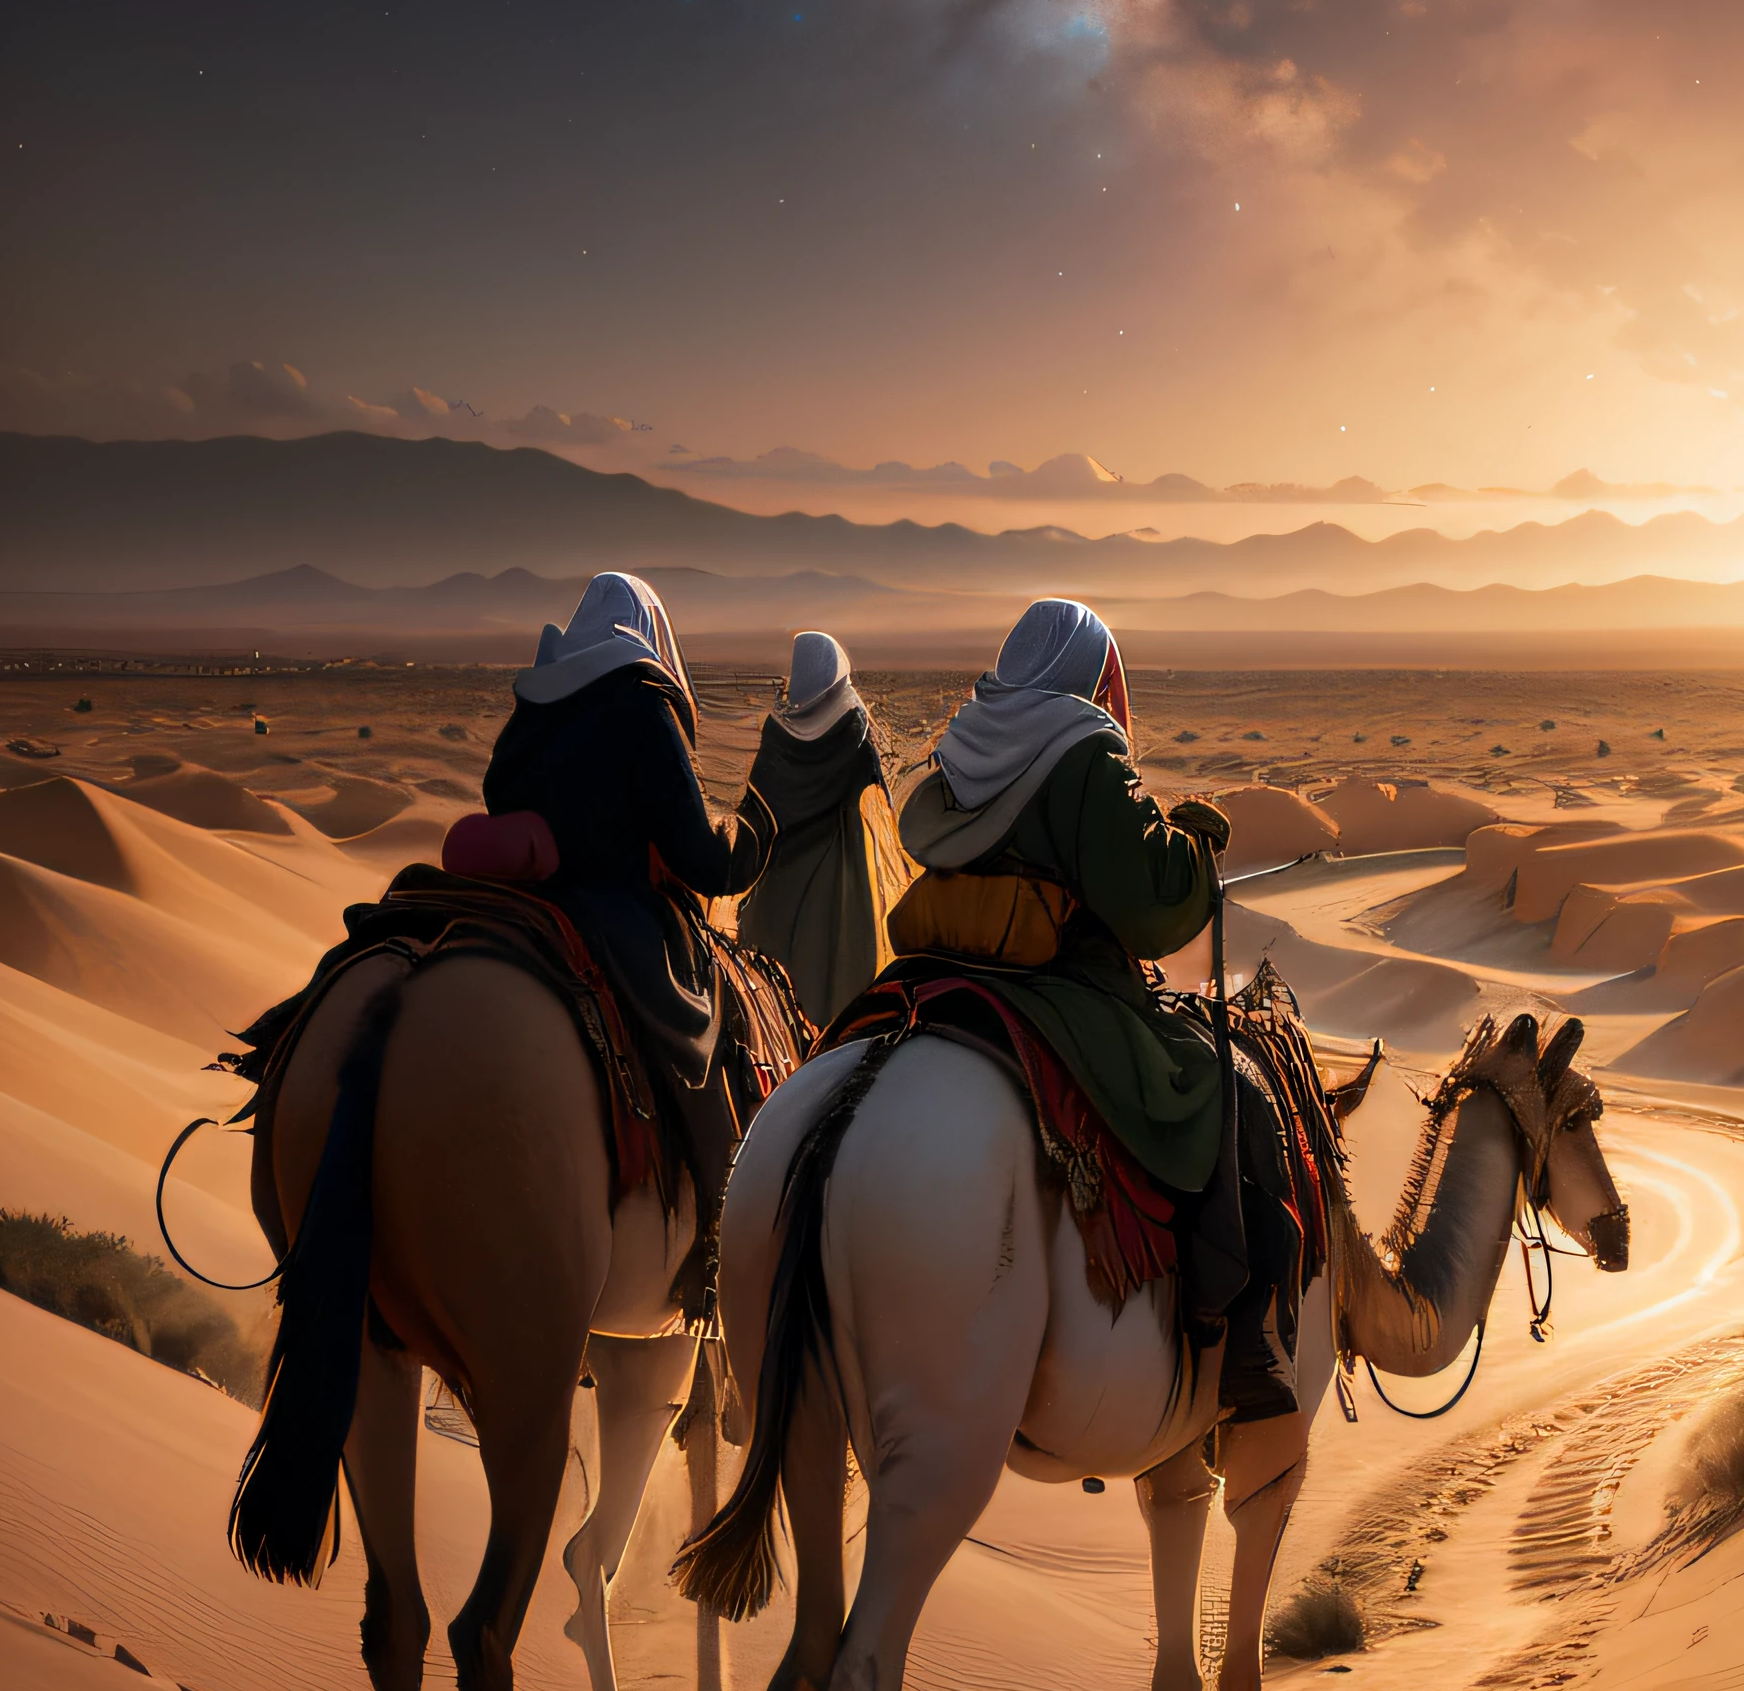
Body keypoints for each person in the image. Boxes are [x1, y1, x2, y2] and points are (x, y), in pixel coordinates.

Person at [895, 596, 1296, 1421]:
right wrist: (1195, 844)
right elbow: (1151, 909)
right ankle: (1242, 1335)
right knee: (1230, 1091)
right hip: (1063, 987)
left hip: (942, 971)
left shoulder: (968, 745)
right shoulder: (1082, 751)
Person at [480, 571, 773, 1086]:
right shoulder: (641, 704)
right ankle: (714, 1158)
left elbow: (497, 789)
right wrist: (752, 839)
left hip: (516, 901)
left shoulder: (533, 707)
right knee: (692, 1045)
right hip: (612, 912)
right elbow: (700, 861)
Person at [736, 632, 902, 1028]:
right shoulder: (854, 727)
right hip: (838, 885)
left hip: (777, 887)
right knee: (836, 1000)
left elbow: (755, 813)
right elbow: (882, 797)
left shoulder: (777, 733)